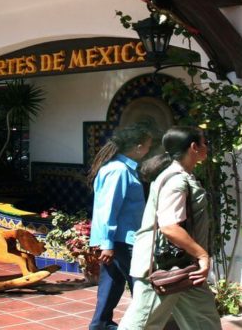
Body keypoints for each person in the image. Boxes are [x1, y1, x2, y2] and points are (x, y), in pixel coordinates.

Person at [119, 127, 221, 330]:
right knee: (141, 324)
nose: (207, 147)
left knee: (205, 322)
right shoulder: (176, 180)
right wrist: (202, 255)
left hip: (185, 268)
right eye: (204, 143)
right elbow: (170, 227)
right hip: (161, 267)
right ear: (194, 147)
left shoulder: (183, 176)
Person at [87, 125, 154, 330]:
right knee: (143, 287)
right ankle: (143, 325)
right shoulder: (119, 170)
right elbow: (108, 209)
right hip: (124, 240)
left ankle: (100, 325)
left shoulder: (120, 168)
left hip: (119, 240)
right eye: (148, 147)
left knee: (112, 284)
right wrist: (107, 243)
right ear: (139, 147)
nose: (149, 151)